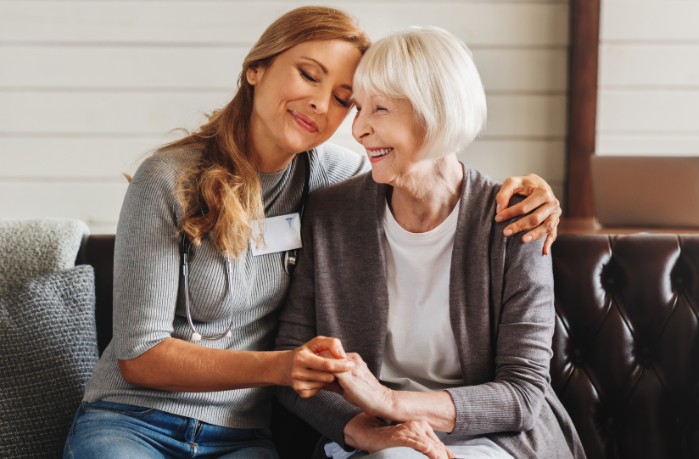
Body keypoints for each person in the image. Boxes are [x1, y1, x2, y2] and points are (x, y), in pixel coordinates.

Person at [63, 7, 564, 459]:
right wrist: (290, 374)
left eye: (345, 100)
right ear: (256, 68)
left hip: (240, 434)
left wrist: (539, 195)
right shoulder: (172, 180)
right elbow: (140, 355)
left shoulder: (334, 180)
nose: (331, 111)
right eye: (308, 74)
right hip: (133, 419)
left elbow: (425, 169)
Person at [275, 26, 585, 459]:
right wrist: (365, 428)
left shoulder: (516, 221)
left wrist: (389, 401)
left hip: (497, 438)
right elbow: (292, 363)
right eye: (359, 108)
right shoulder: (331, 214)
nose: (359, 129)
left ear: (437, 112)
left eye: (380, 108)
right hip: (375, 437)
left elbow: (522, 394)